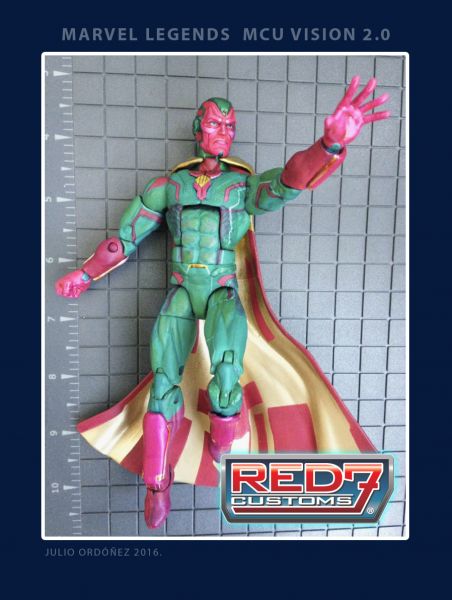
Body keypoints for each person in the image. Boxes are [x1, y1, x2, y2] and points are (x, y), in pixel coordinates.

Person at [55, 76, 389, 528]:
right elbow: (124, 240)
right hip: (181, 291)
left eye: (229, 126)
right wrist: (84, 274)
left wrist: (327, 145)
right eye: (214, 123)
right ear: (198, 129)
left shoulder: (239, 188)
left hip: (222, 291)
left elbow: (288, 182)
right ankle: (157, 481)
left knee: (228, 372)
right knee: (163, 384)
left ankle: (222, 446)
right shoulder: (168, 187)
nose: (223, 132)